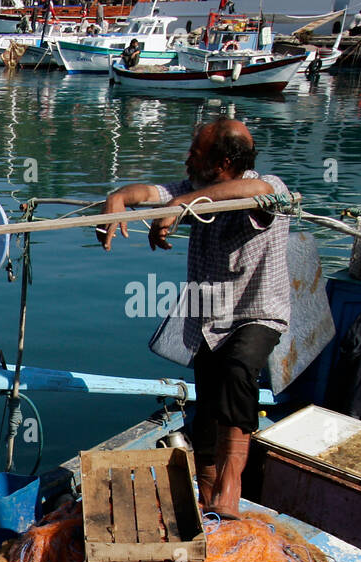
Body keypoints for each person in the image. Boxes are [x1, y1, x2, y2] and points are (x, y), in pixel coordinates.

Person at [98, 118, 289, 519]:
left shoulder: (269, 187)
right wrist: (118, 198)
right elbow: (147, 191)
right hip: (208, 318)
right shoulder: (192, 188)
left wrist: (180, 206)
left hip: (255, 313)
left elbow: (259, 191)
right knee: (206, 409)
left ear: (221, 163)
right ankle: (208, 498)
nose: (187, 159)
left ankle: (231, 486)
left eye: (195, 153)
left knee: (238, 371)